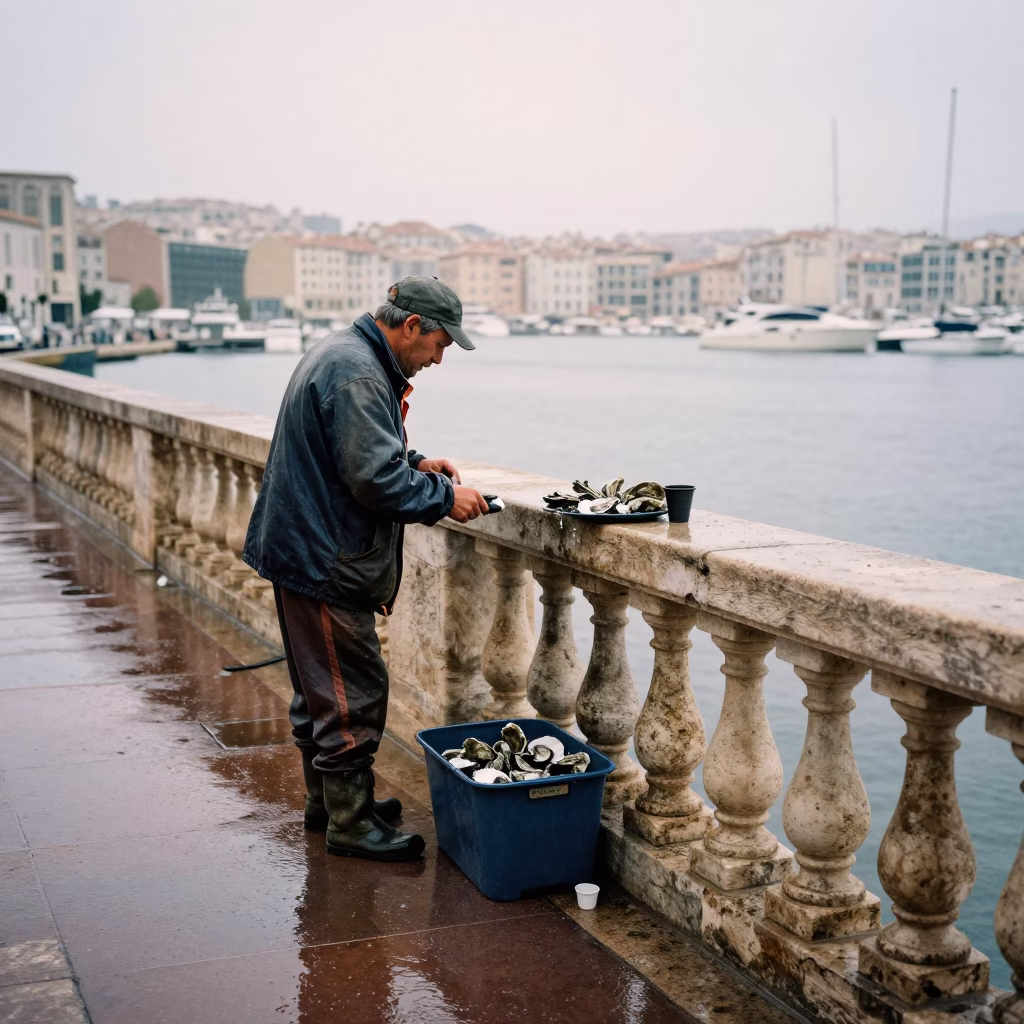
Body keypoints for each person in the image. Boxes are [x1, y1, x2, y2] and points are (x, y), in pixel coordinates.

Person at [243, 277, 489, 862]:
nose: (437, 359)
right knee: (352, 692)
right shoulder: (357, 372)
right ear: (410, 327)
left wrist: (414, 461)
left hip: (304, 547)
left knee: (319, 689)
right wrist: (442, 496)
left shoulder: (345, 354)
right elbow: (374, 481)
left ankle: (329, 803)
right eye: (438, 346)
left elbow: (357, 452)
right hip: (324, 559)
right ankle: (350, 824)